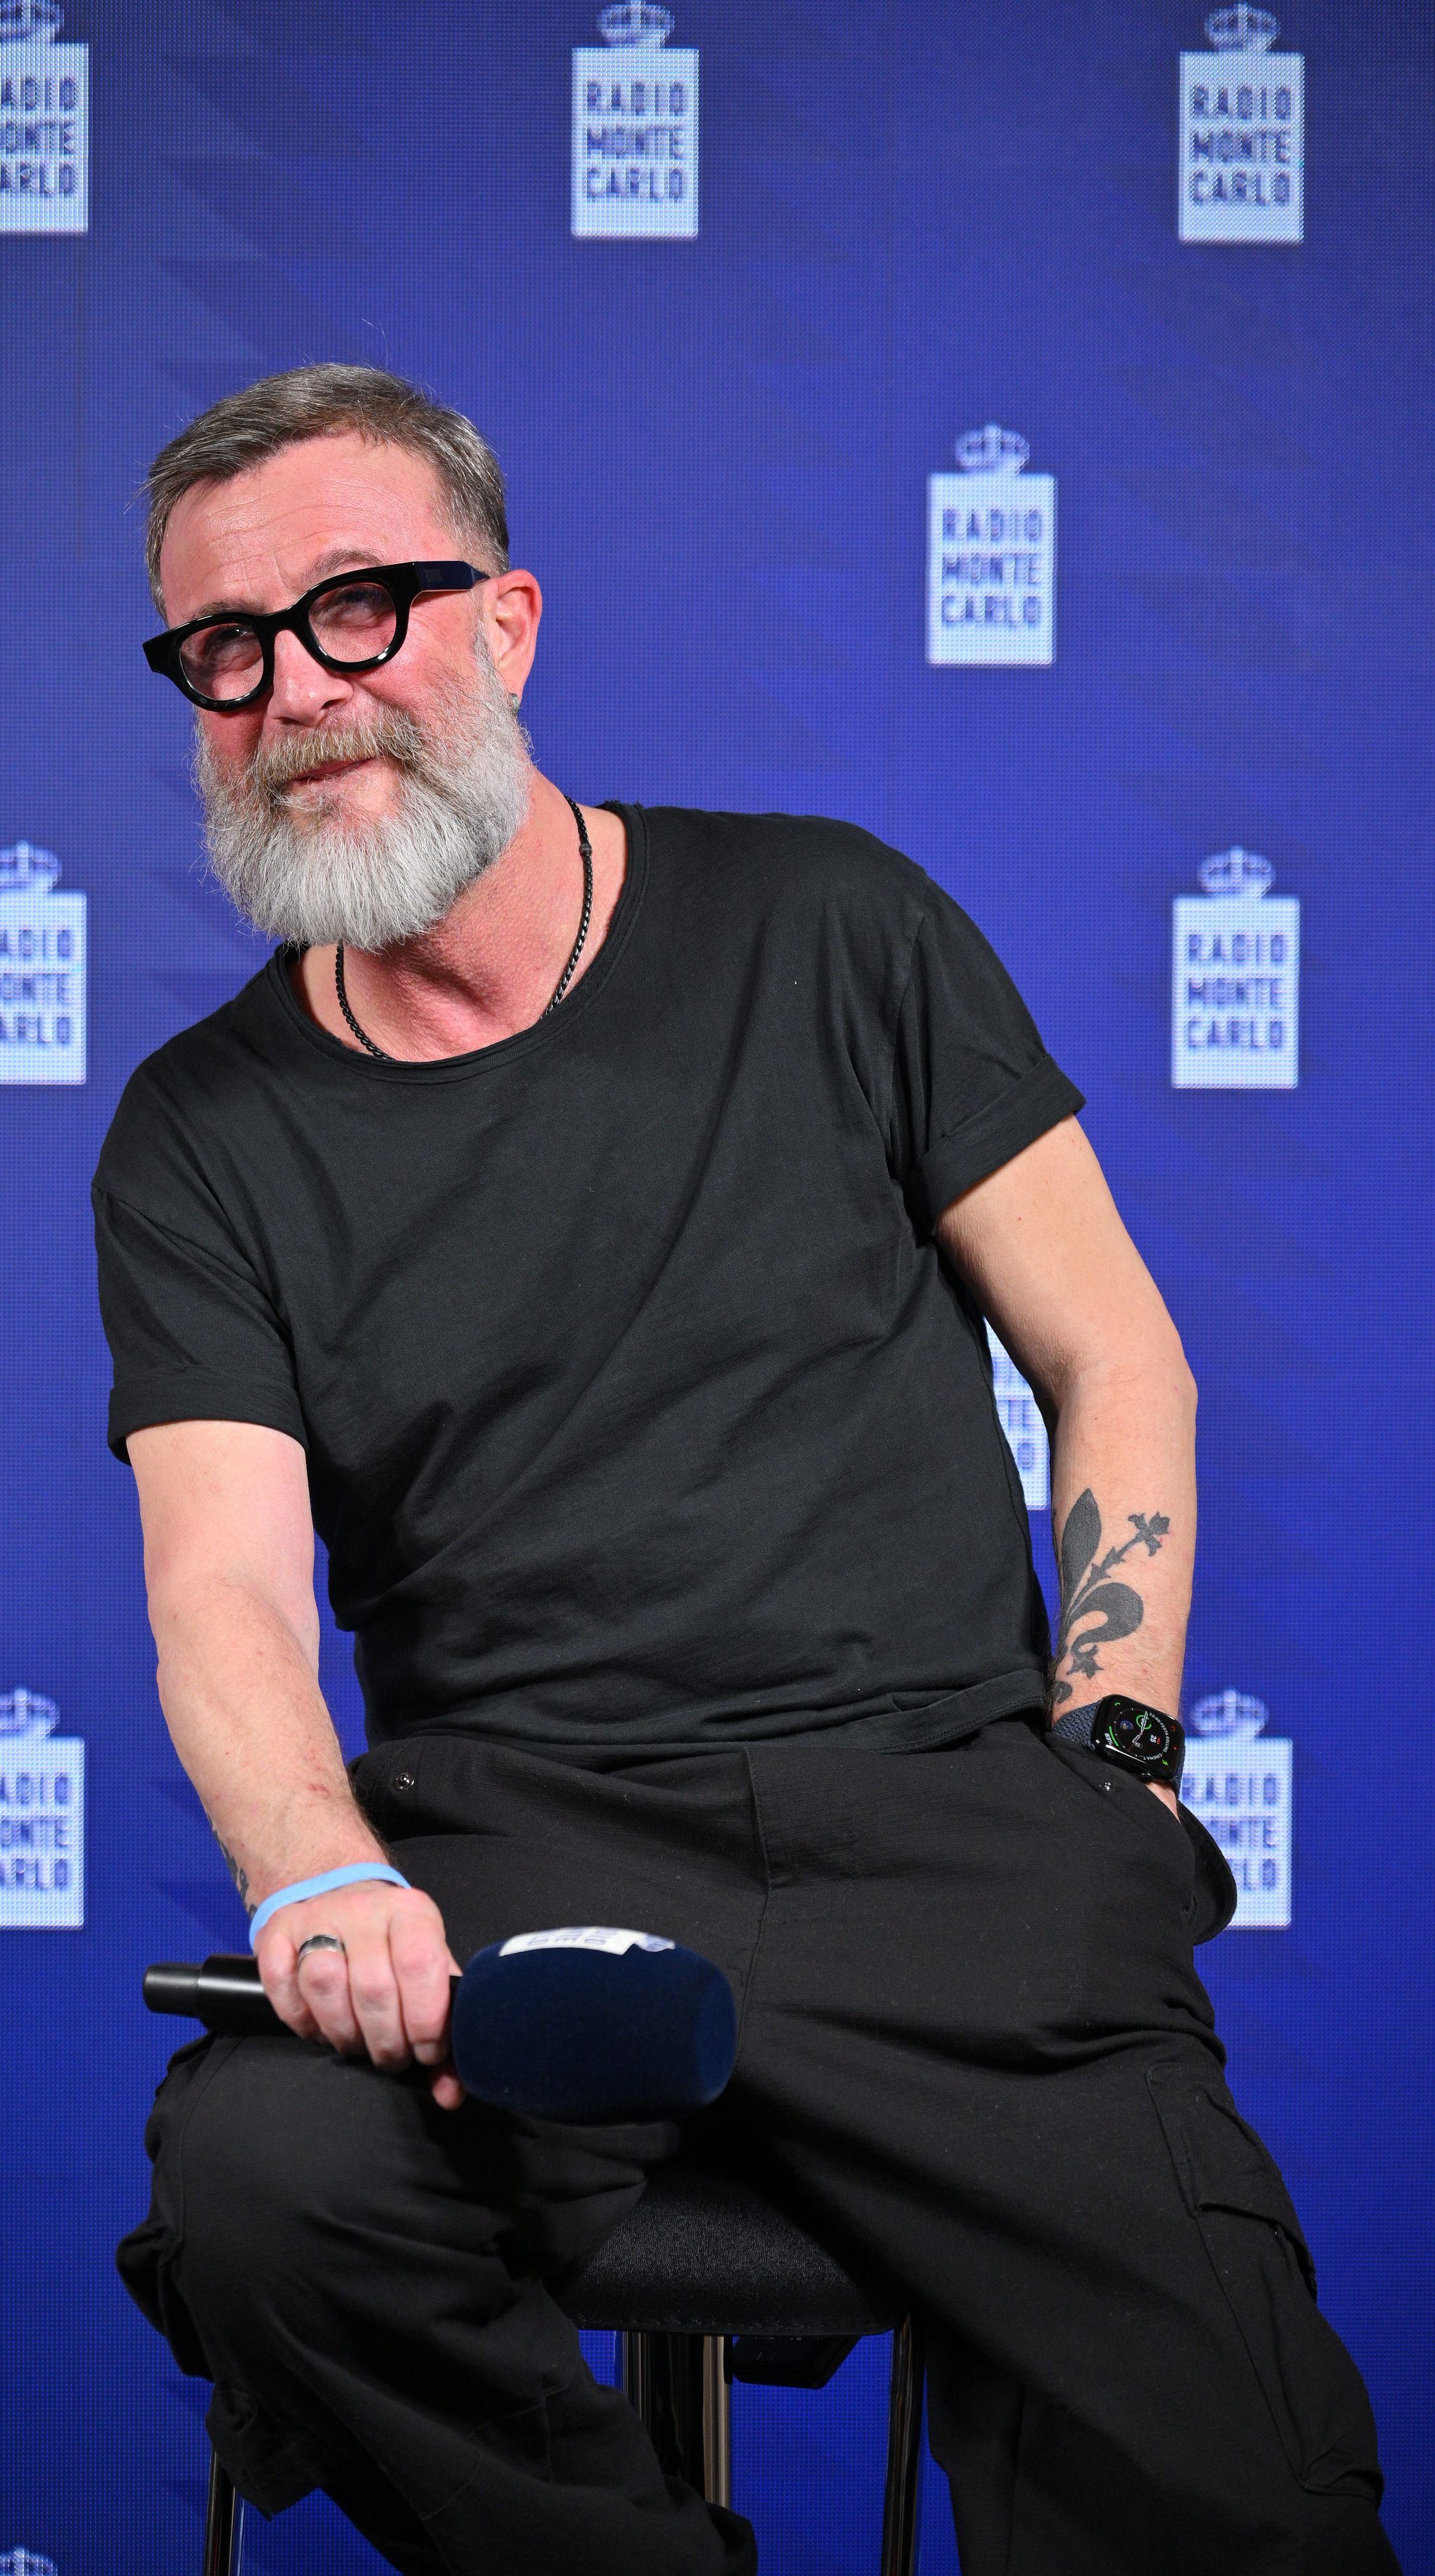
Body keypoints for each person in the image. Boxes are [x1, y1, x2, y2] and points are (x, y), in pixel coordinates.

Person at [95, 364, 1396, 2575]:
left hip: (942, 1831)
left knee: (1234, 2501)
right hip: (522, 1854)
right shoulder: (198, 1131)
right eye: (226, 646)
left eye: (356, 608)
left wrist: (1117, 1750)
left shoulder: (833, 923)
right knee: (262, 2193)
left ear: (506, 624)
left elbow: (1113, 1354)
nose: (295, 690)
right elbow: (220, 1584)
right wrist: (316, 1881)